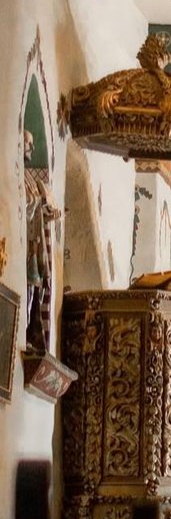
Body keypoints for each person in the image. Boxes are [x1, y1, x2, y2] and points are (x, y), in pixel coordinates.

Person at [23, 129, 58, 353]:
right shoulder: (22, 177)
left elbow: (49, 210)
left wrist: (45, 203)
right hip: (28, 244)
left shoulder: (30, 179)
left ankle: (28, 330)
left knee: (34, 289)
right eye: (28, 142)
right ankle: (25, 330)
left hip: (34, 244)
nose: (32, 148)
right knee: (27, 288)